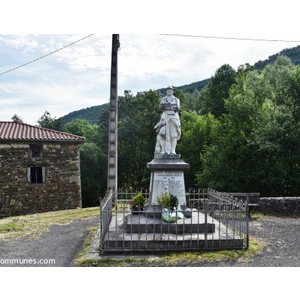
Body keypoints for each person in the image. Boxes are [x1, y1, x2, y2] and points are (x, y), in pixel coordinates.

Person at [154, 86, 181, 155]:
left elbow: (177, 108)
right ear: (166, 91)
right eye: (168, 90)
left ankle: (173, 150)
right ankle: (163, 150)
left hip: (173, 117)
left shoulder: (176, 99)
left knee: (174, 134)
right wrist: (169, 106)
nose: (169, 91)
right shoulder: (163, 99)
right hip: (165, 117)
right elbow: (160, 108)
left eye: (170, 90)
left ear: (173, 91)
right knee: (163, 134)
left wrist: (168, 106)